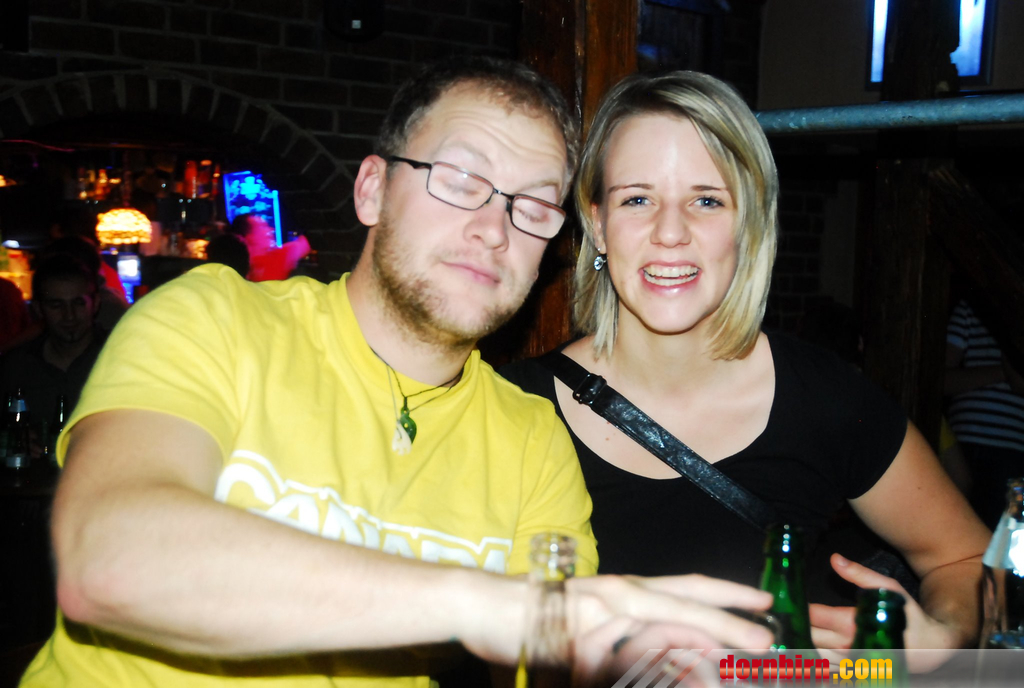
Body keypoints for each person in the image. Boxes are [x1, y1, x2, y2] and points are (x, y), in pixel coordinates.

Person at [19, 58, 774, 688]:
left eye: (533, 206)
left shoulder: (531, 439)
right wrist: (483, 604)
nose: (493, 228)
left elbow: (562, 656)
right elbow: (109, 560)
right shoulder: (217, 319)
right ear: (372, 189)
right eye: (460, 179)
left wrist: (778, 665)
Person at [500, 70, 990, 653]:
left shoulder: (823, 398)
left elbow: (966, 558)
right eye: (637, 199)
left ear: (748, 222)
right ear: (598, 224)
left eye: (707, 200)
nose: (670, 233)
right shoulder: (513, 408)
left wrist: (945, 636)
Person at [0, 253, 108, 456]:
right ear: (39, 309)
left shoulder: (121, 357)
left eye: (78, 303)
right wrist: (10, 439)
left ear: (95, 303)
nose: (69, 315)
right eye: (56, 305)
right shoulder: (16, 366)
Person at [945, 298, 1024, 529]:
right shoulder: (969, 308)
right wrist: (1003, 372)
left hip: (1016, 452)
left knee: (1007, 541)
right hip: (965, 447)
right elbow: (941, 379)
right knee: (960, 532)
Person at [228, 212, 311, 281]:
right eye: (263, 226)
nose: (272, 230)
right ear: (249, 236)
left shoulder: (233, 269)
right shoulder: (280, 257)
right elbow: (306, 243)